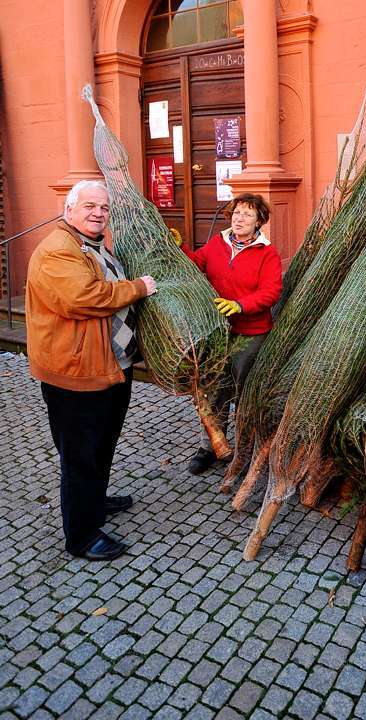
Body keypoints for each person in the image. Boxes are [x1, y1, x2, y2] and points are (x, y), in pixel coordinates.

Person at [26, 180, 157, 560]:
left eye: (103, 207)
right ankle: (82, 536)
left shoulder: (92, 246)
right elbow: (82, 298)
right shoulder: (57, 251)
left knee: (102, 443)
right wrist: (138, 287)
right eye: (89, 206)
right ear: (69, 210)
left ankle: (95, 501)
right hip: (77, 373)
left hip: (109, 366)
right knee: (81, 453)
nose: (98, 213)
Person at [170, 193, 282, 474]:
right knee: (215, 389)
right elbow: (197, 265)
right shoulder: (218, 243)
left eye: (247, 214)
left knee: (244, 392)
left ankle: (245, 450)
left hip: (250, 333)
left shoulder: (267, 253)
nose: (239, 218)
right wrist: (179, 247)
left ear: (259, 221)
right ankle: (209, 446)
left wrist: (239, 305)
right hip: (218, 331)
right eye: (236, 212)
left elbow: (271, 291)